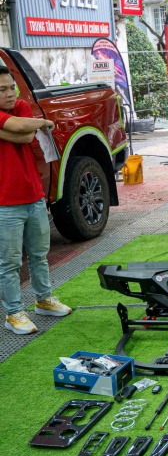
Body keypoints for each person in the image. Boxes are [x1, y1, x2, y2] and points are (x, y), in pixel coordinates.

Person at [0, 64, 71, 334]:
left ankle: (43, 300)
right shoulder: (16, 114)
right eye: (2, 90)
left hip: (34, 197)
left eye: (11, 88)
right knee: (9, 263)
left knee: (39, 255)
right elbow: (21, 127)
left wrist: (26, 127)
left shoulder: (20, 106)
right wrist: (42, 122)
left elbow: (26, 135)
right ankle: (13, 313)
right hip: (5, 203)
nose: (10, 94)